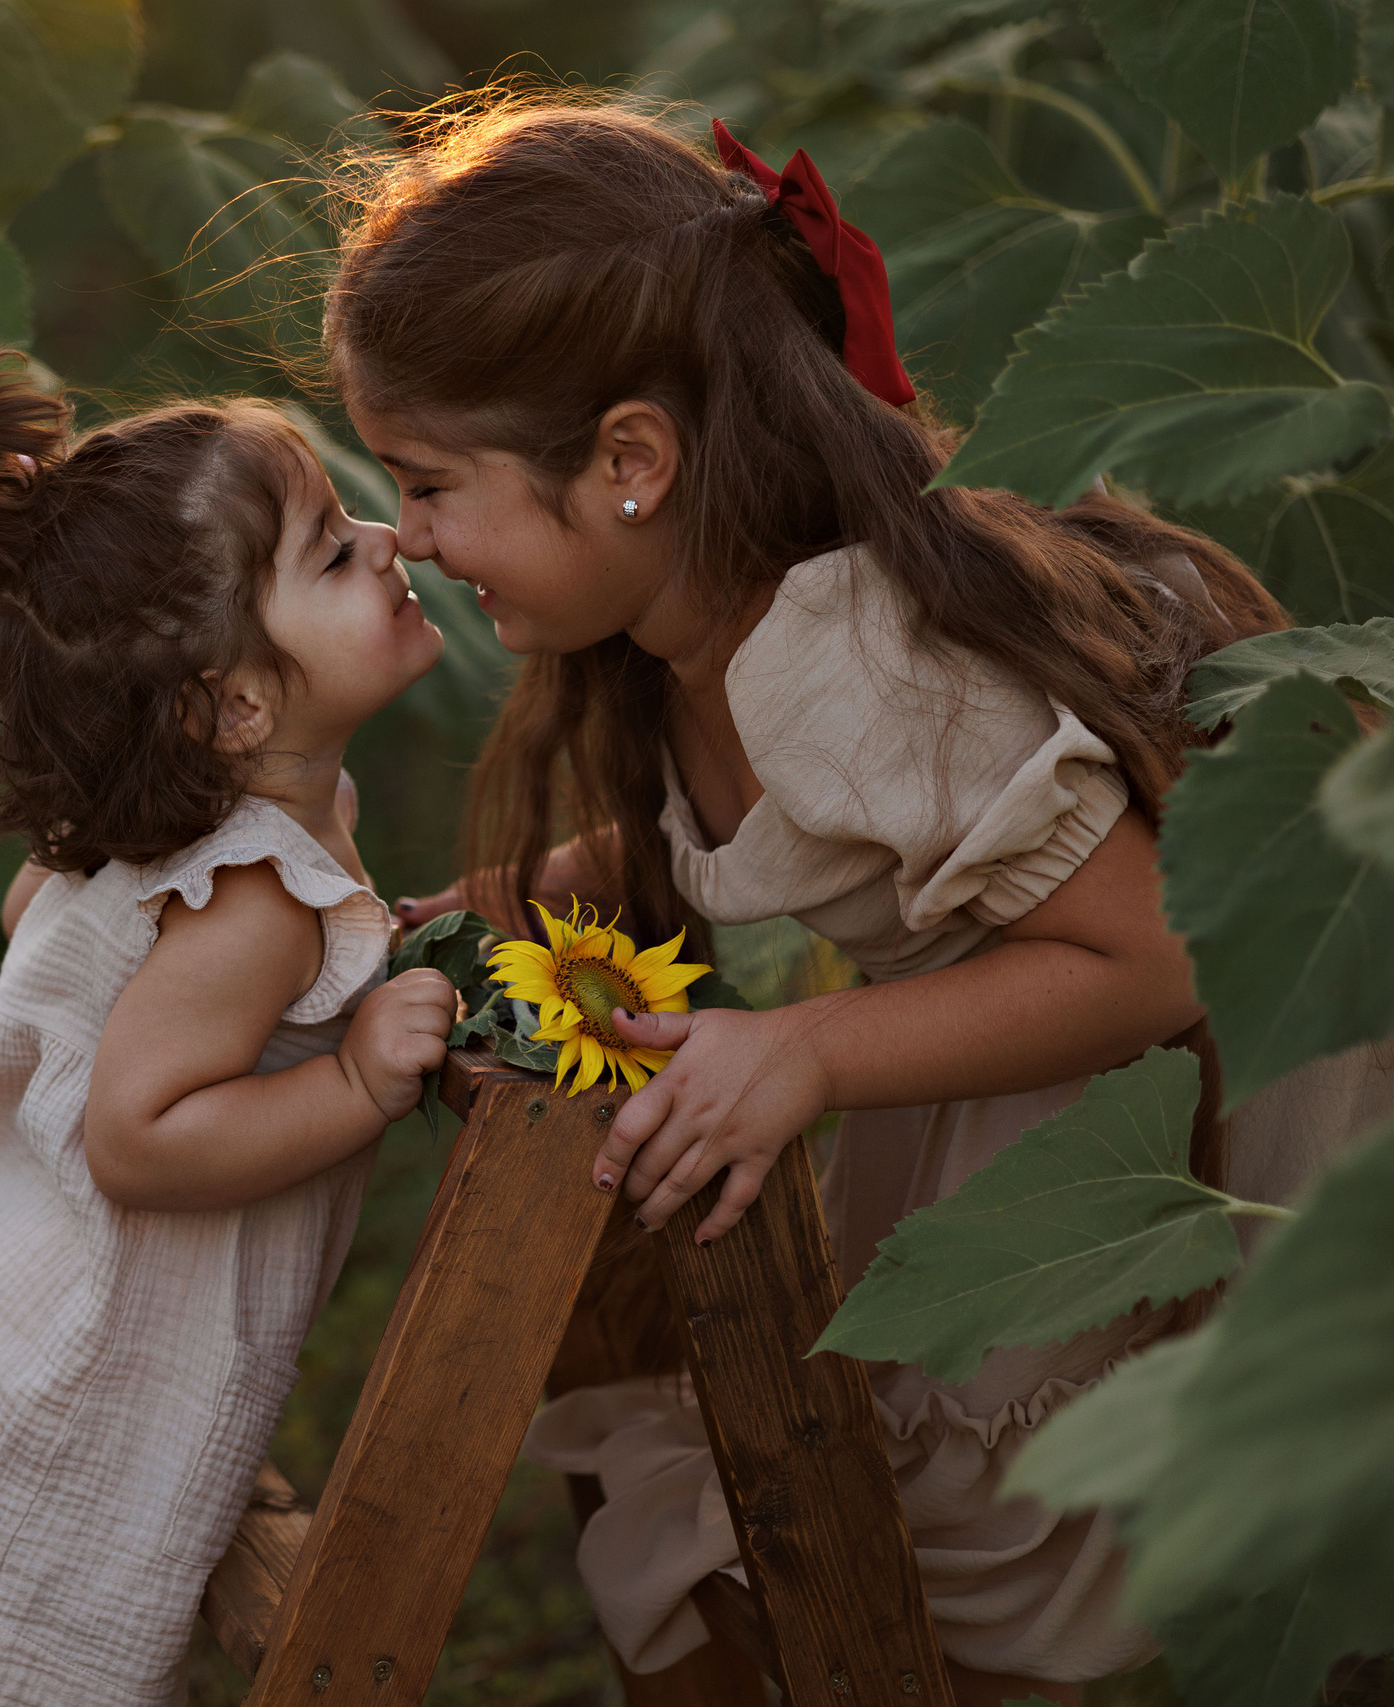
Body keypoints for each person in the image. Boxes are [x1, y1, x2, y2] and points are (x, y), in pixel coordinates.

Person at [323, 99, 1394, 1707]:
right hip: (1034, 1058)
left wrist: (810, 1048)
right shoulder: (695, 625)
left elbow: (1160, 951)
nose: (408, 538)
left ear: (629, 462)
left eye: (427, 484)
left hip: (1223, 1065)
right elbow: (760, 839)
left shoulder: (853, 671)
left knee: (1012, 1541)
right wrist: (513, 892)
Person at [0, 345, 459, 1707]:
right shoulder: (255, 901)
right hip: (60, 1390)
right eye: (330, 552)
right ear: (236, 705)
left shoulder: (186, 837)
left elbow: (40, 919)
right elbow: (136, 1140)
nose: (384, 540)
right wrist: (354, 1082)